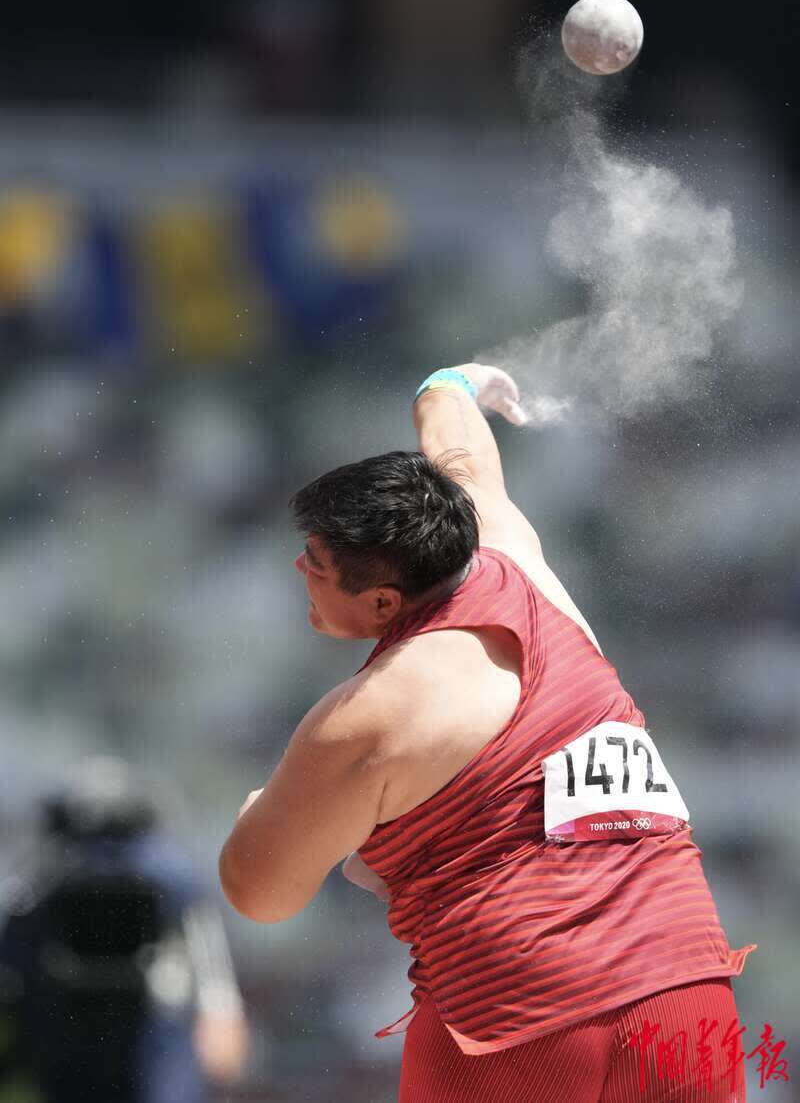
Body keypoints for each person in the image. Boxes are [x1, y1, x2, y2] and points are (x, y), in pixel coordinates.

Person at [220, 363, 754, 1102]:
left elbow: (259, 892)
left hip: (514, 1024)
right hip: (686, 1001)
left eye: (314, 565)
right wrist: (451, 384)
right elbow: (462, 454)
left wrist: (259, 811)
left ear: (381, 602)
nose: (297, 569)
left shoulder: (366, 716)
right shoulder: (511, 555)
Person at [0, 757, 249, 1103]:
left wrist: (221, 1012)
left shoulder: (42, 881)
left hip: (143, 1035)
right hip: (88, 1033)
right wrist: (222, 1012)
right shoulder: (168, 874)